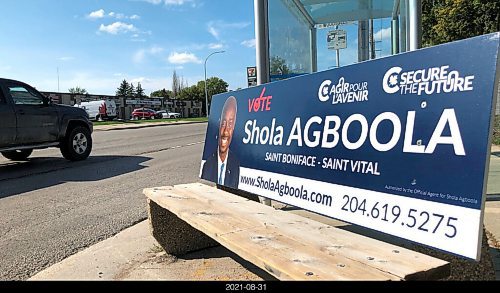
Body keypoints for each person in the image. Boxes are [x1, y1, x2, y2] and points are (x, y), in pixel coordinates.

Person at [201, 96, 240, 189]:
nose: (225, 131)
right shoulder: (207, 165)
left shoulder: (236, 164)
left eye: (230, 124)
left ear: (234, 127)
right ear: (218, 125)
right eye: (223, 123)